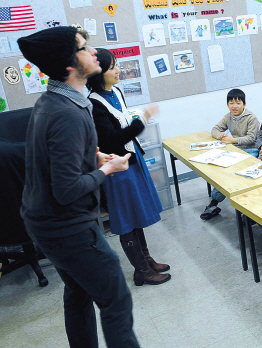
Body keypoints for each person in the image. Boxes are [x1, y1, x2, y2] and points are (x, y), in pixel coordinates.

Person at [18, 26, 139, 348]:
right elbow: (66, 189)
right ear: (70, 65)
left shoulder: (57, 100)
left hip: (46, 223)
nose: (95, 53)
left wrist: (93, 156)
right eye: (85, 48)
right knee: (116, 299)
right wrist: (109, 169)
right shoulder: (66, 112)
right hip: (67, 227)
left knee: (80, 293)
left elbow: (53, 158)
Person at [87, 48, 171, 286]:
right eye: (113, 67)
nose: (118, 71)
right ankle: (141, 270)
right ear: (100, 72)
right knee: (125, 218)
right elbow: (113, 138)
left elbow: (123, 129)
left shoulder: (117, 92)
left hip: (132, 160)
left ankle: (146, 260)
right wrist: (142, 120)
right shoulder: (94, 104)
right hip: (117, 168)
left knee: (136, 213)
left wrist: (137, 123)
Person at [201, 88, 260, 220]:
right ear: (227, 105)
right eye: (231, 103)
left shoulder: (251, 118)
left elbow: (252, 138)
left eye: (238, 103)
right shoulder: (229, 116)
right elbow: (215, 129)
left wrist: (233, 140)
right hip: (236, 151)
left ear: (244, 104)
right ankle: (214, 202)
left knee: (231, 174)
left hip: (251, 151)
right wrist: (220, 134)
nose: (234, 106)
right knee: (222, 173)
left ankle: (246, 210)